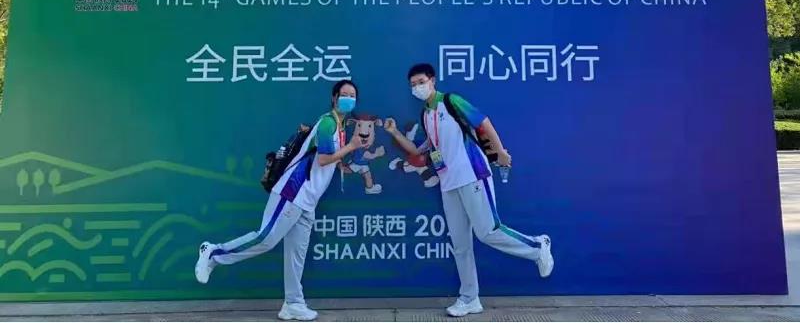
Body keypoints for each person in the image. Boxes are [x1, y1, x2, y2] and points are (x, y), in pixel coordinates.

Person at [384, 63, 554, 317]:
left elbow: (483, 121)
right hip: (448, 183)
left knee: (488, 231)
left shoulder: (451, 101)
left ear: (432, 80)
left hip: (472, 173)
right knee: (460, 244)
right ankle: (469, 297)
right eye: (413, 85)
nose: (417, 87)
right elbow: (420, 151)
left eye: (421, 82)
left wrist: (500, 152)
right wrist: (395, 133)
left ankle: (538, 246)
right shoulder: (425, 114)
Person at [194, 80, 364, 321]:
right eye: (344, 94)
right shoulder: (328, 122)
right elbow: (324, 159)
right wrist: (352, 147)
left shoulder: (341, 125)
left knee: (296, 254)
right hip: (293, 192)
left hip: (308, 201)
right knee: (266, 238)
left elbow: (327, 162)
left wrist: (351, 151)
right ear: (334, 98)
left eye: (352, 95)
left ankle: (293, 303)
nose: (348, 98)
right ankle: (213, 253)